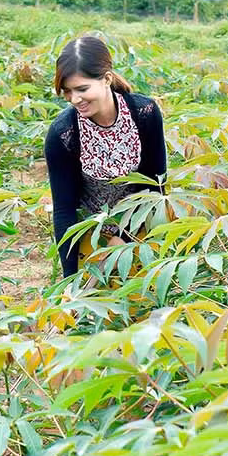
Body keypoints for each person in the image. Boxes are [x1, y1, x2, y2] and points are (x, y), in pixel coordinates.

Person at [44, 36, 167, 277]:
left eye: (82, 89)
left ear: (107, 79)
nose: (75, 99)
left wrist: (123, 237)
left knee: (143, 304)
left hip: (143, 223)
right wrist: (71, 281)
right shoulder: (63, 133)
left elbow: (156, 184)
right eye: (68, 91)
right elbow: (64, 211)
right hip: (92, 232)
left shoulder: (144, 114)